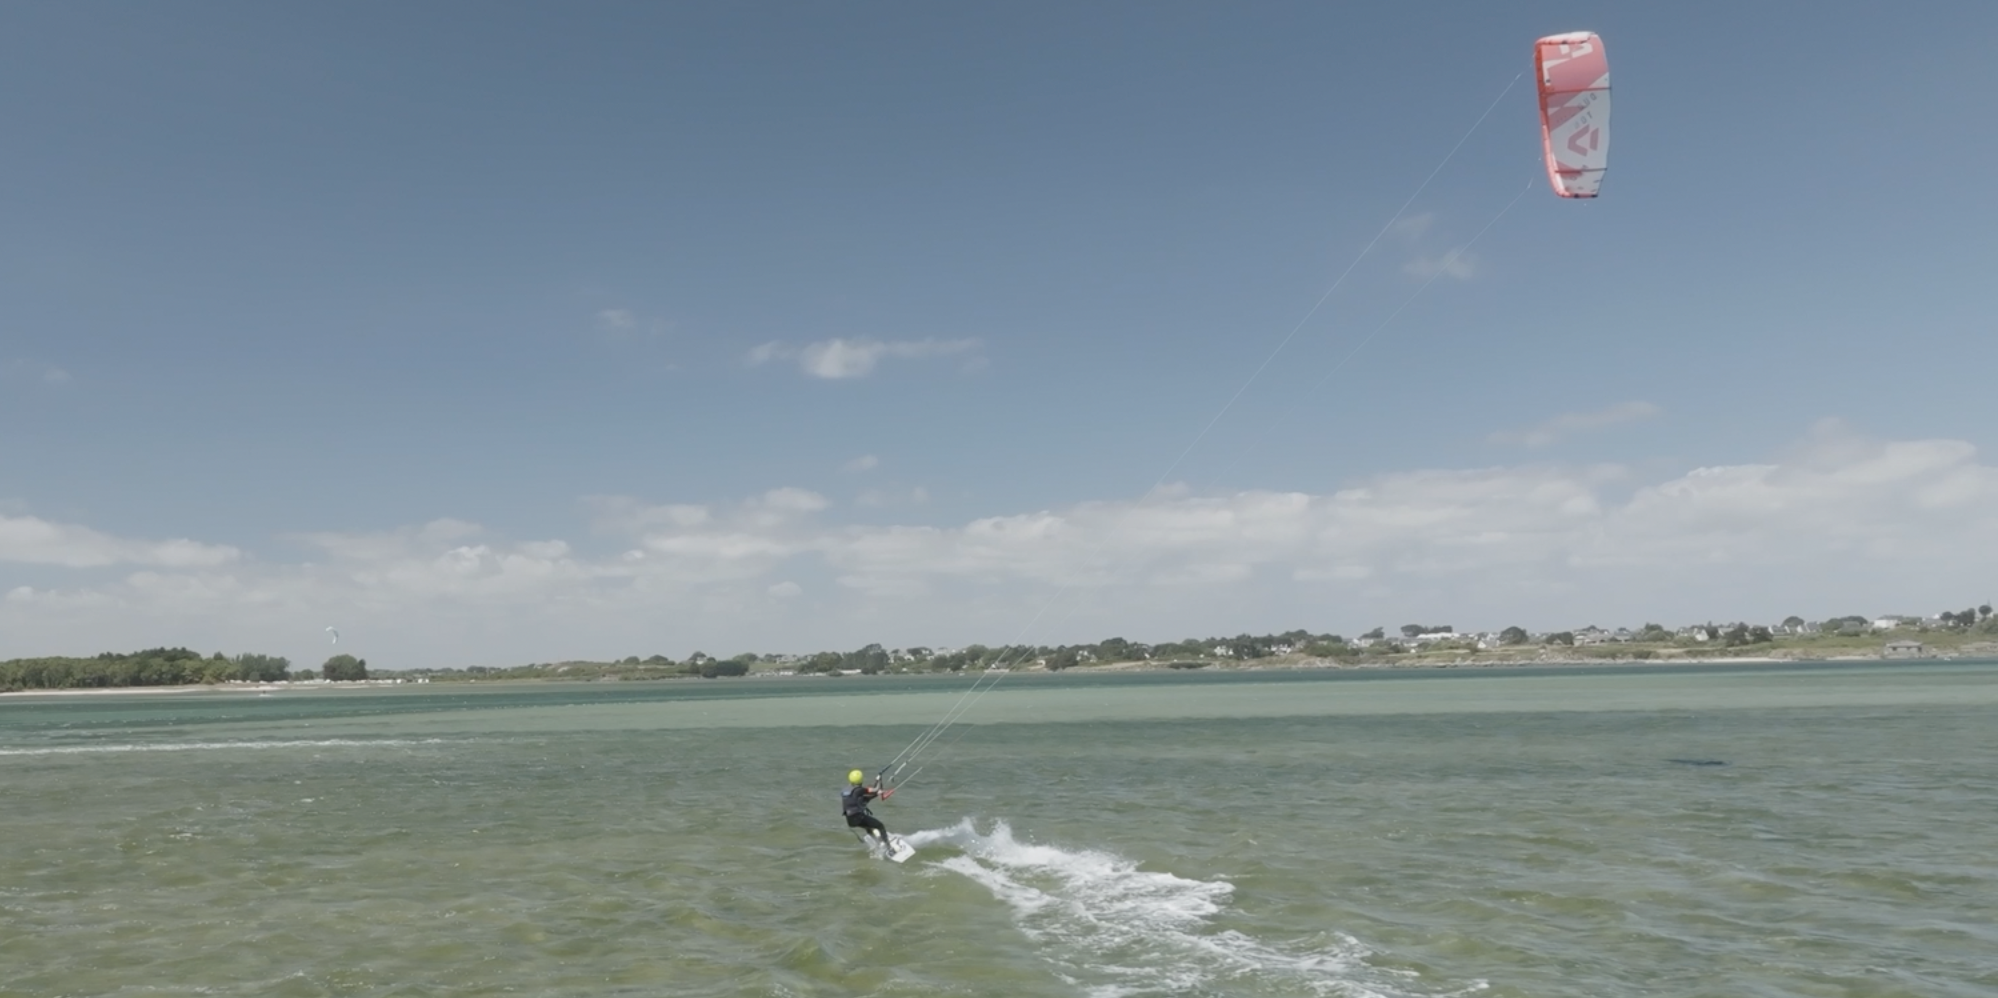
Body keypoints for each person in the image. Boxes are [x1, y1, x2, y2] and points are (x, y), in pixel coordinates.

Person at [840, 768, 894, 848]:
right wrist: (879, 780)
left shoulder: (845, 791)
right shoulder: (859, 790)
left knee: (869, 827)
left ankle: (877, 844)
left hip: (850, 821)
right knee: (880, 826)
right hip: (858, 817)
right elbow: (876, 789)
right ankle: (888, 848)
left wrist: (876, 791)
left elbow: (865, 797)